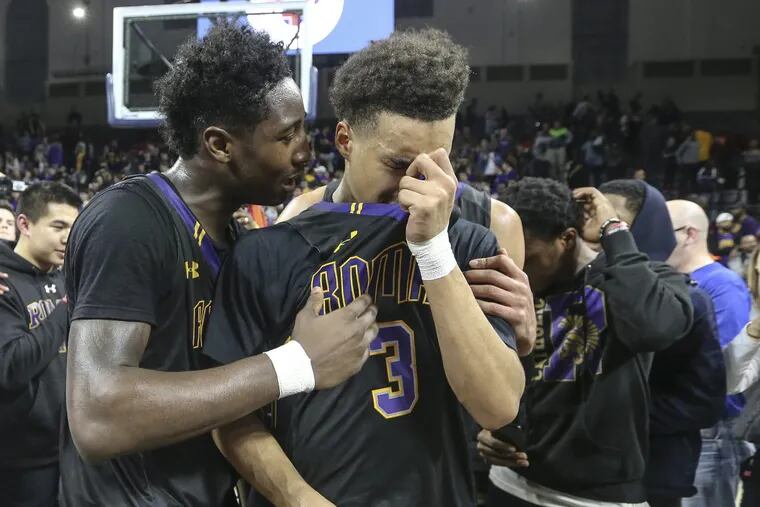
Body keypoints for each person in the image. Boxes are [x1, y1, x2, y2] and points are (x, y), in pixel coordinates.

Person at [203, 29, 527, 507]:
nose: (418, 185)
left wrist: (433, 250)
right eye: (398, 164)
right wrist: (299, 499)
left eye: (437, 164)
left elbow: (497, 407)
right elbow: (229, 413)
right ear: (345, 140)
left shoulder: (469, 242)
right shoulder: (270, 248)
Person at [60, 22, 380, 507]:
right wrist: (296, 362)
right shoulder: (128, 220)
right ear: (220, 145)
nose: (305, 151)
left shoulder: (240, 243)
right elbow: (98, 415)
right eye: (286, 134)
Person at [481, 177, 693, 507]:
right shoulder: (512, 282)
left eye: (529, 257)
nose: (517, 270)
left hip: (596, 498)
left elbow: (654, 328)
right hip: (510, 483)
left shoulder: (634, 280)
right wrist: (486, 426)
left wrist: (613, 230)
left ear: (567, 239)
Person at [600, 180, 726, 507]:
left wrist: (616, 415)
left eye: (615, 221)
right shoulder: (588, 290)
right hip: (594, 470)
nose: (603, 229)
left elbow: (704, 402)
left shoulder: (691, 300)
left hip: (655, 473)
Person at [666, 199, 753, 507]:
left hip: (708, 434)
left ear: (689, 234)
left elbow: (721, 372)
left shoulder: (721, 285)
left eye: (663, 230)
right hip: (676, 428)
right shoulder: (668, 281)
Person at [0, 182, 81, 507]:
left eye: (72, 228)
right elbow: (10, 366)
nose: (67, 238)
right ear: (24, 224)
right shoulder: (4, 283)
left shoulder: (65, 277)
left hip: (71, 449)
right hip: (23, 460)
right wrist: (67, 308)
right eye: (58, 227)